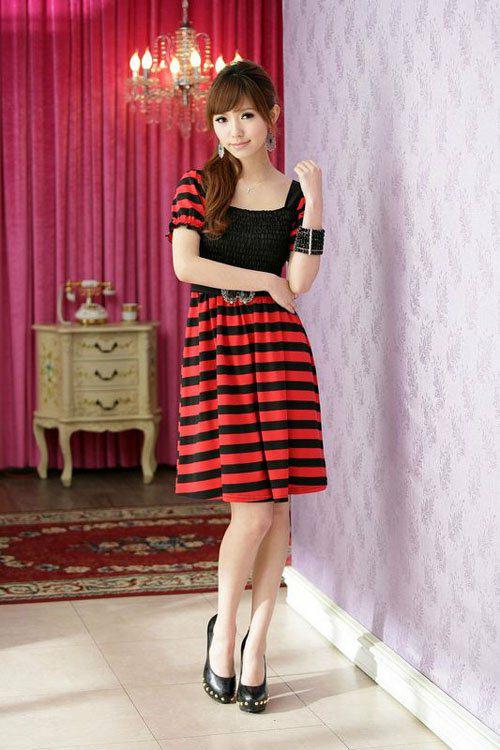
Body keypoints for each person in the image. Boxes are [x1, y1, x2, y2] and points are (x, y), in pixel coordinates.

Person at [166, 60, 328, 713]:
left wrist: (315, 201)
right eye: (222, 117)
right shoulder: (198, 185)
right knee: (252, 510)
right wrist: (263, 280)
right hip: (219, 352)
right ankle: (224, 633)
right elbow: (186, 265)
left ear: (271, 117)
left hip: (280, 355)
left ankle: (256, 644)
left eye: (247, 115)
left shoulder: (292, 196)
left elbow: (302, 282)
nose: (234, 129)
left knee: (279, 508)